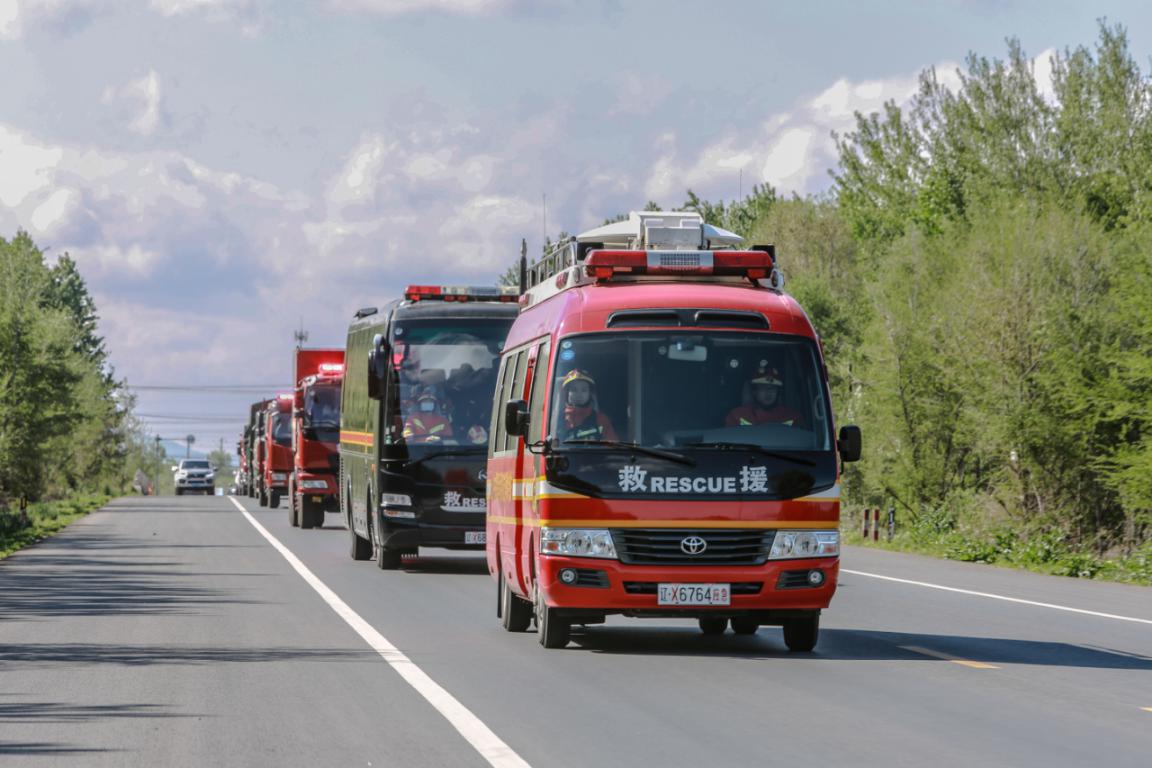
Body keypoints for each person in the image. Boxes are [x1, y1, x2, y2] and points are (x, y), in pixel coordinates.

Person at [725, 366, 805, 428]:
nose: (768, 392)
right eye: (763, 387)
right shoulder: (737, 416)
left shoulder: (793, 417)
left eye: (773, 388)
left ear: (778, 392)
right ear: (754, 392)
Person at [558, 369, 618, 442]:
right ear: (567, 393)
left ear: (590, 394)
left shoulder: (601, 420)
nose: (579, 394)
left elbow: (612, 449)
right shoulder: (558, 421)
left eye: (584, 390)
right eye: (574, 390)